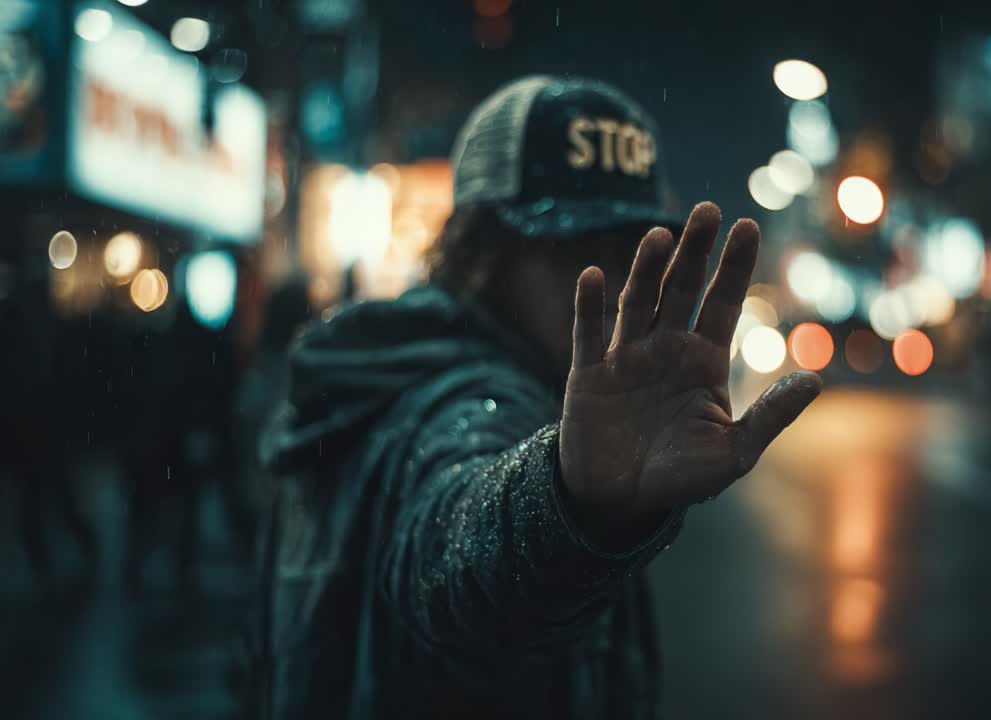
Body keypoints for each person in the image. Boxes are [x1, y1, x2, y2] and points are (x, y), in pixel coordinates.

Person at [254, 75, 822, 719]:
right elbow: (452, 565)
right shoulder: (460, 398)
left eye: (634, 245)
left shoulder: (390, 375)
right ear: (484, 252)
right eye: (574, 245)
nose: (615, 276)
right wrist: (567, 504)